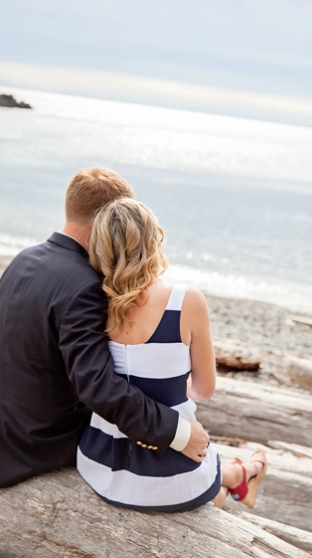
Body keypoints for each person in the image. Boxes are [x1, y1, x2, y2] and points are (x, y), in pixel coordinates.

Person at [0, 167, 210, 488]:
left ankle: (234, 475)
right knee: (157, 439)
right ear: (108, 220)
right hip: (39, 442)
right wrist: (179, 433)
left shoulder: (23, 259)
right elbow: (98, 388)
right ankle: (230, 476)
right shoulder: (86, 285)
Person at [76, 197, 267, 510]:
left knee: (204, 476)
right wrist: (169, 386)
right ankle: (240, 475)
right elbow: (205, 389)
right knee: (206, 490)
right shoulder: (186, 301)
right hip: (169, 472)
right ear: (154, 240)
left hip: (99, 462)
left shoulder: (89, 302)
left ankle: (239, 474)